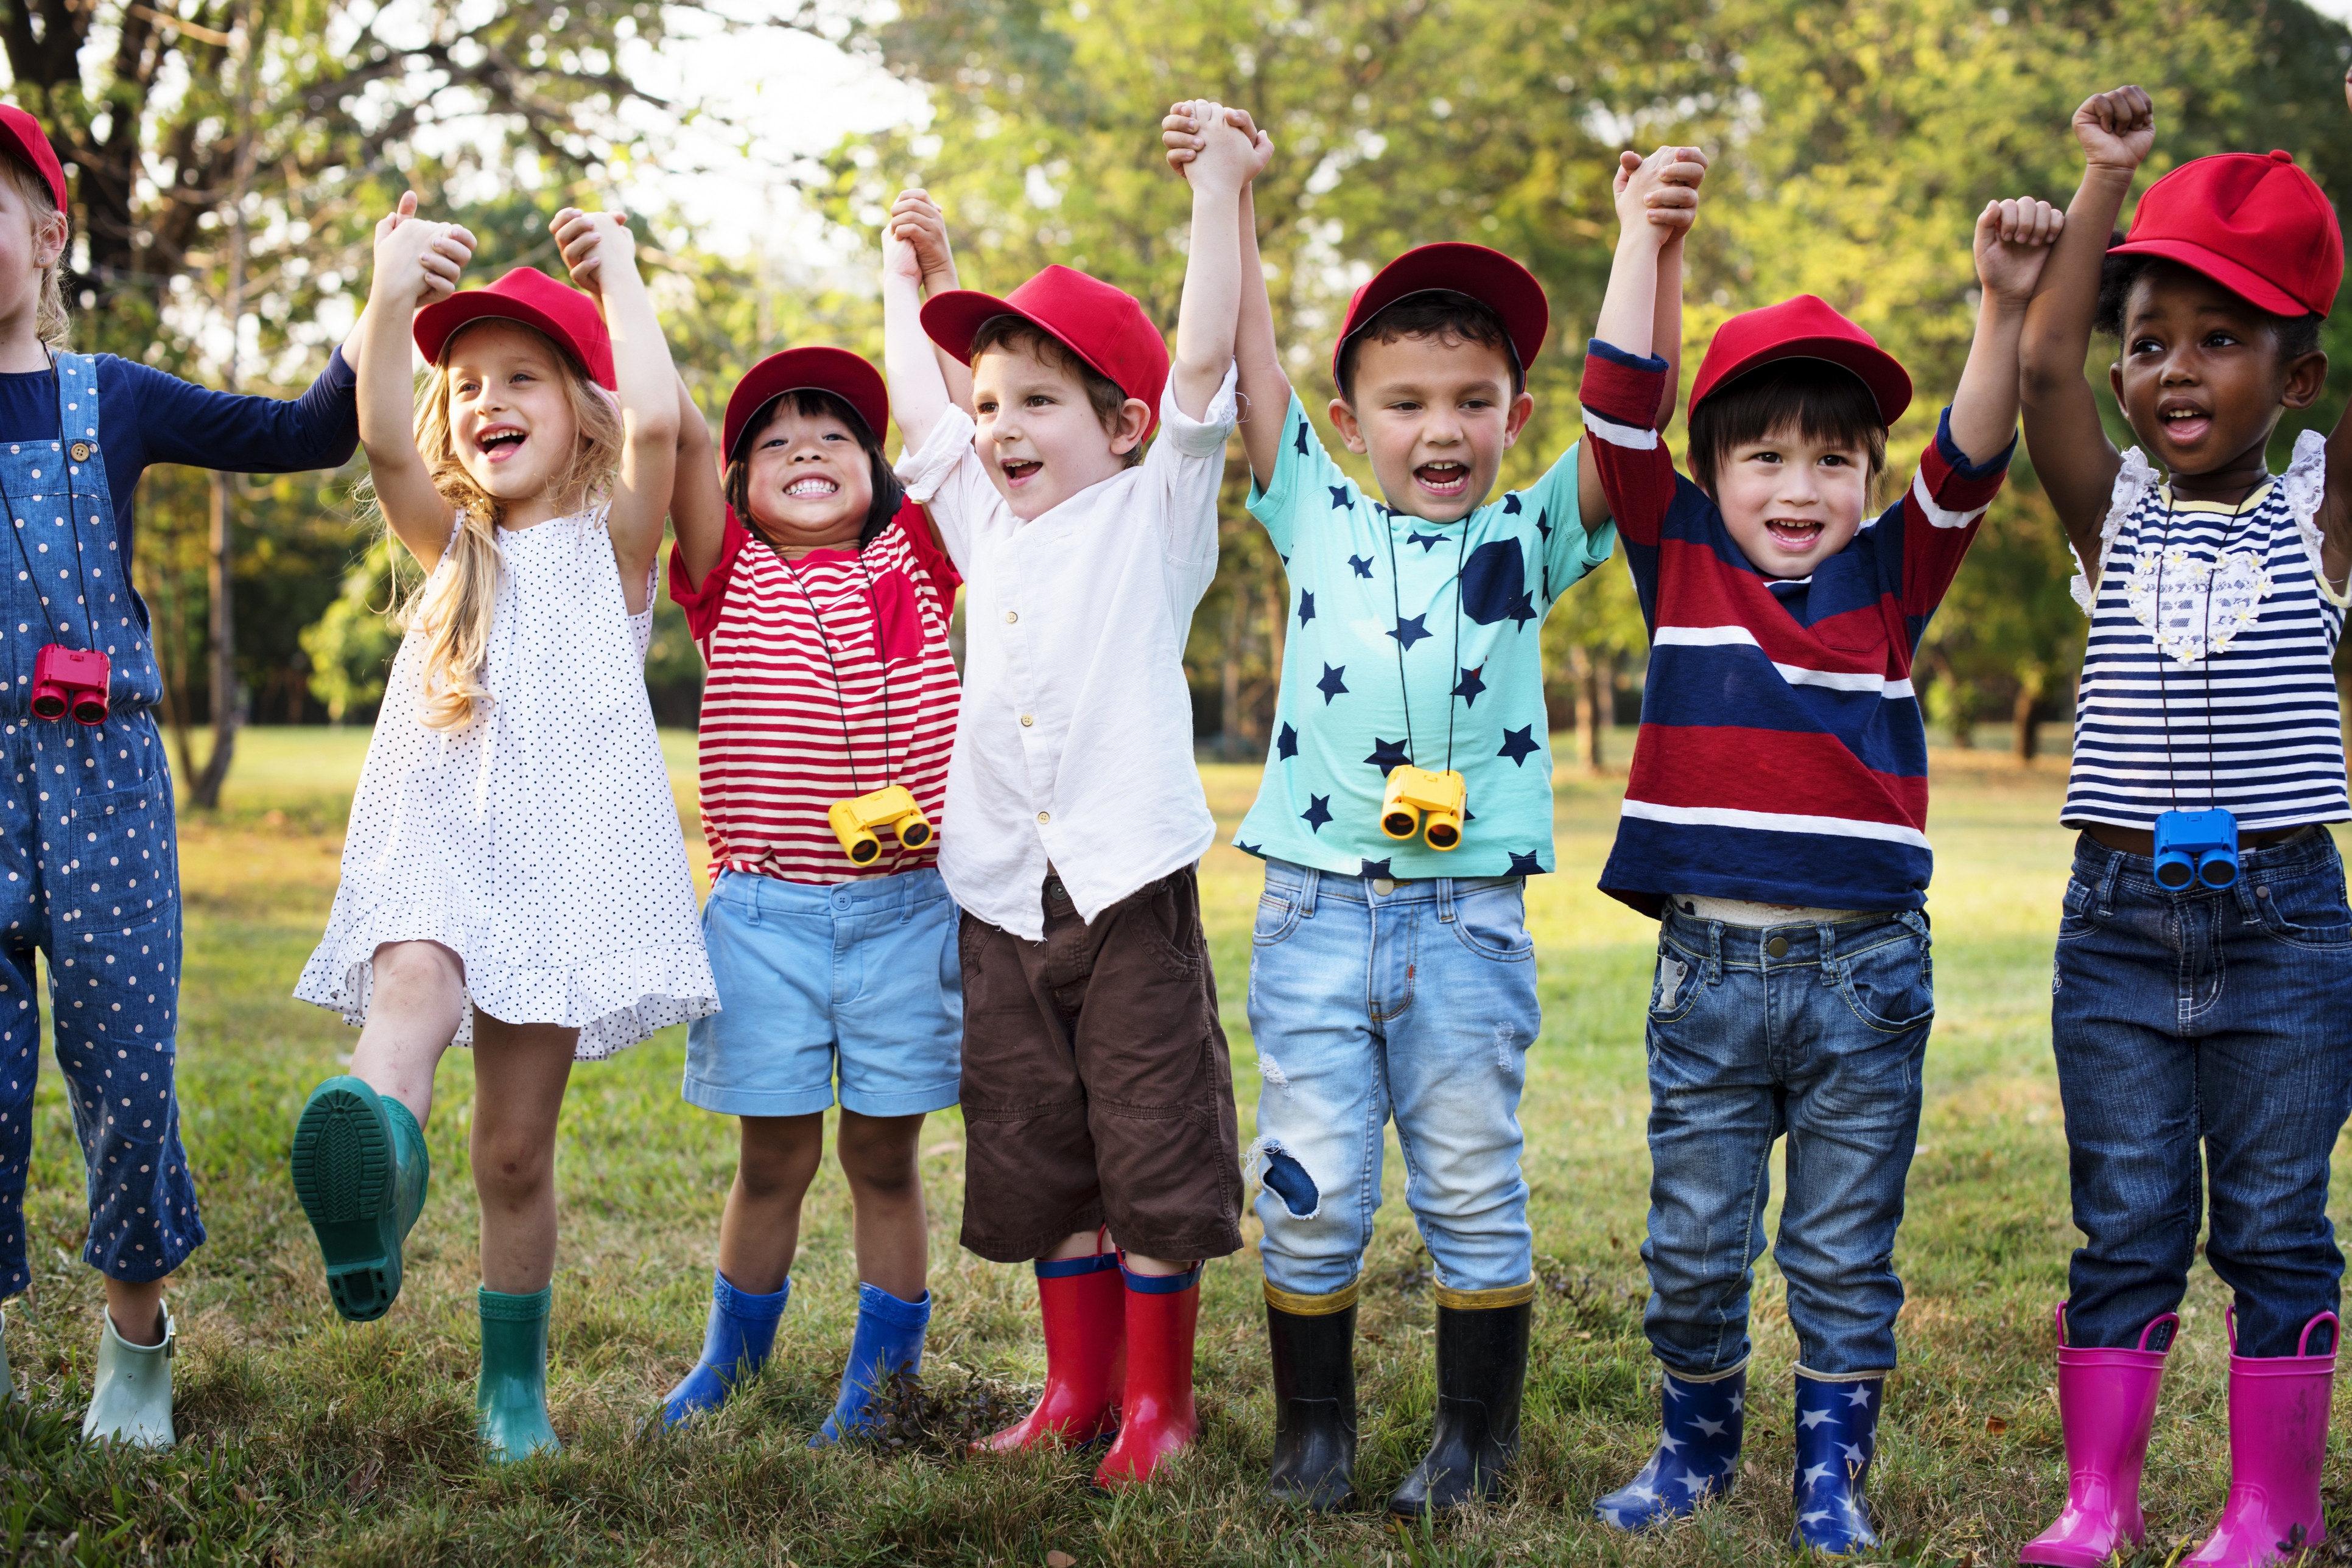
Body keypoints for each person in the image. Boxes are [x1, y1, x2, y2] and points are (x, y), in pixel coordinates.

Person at [1159, 108, 1654, 1516]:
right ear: (1350, 422)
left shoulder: (1531, 532)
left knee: (1472, 1182)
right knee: (1308, 1182)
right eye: (1407, 402)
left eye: (1474, 400)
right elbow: (1250, 359)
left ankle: (1473, 1445)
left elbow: (1630, 415)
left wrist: (1639, 240)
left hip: (1467, 925)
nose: (1442, 428)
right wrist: (1229, 193)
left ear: (1514, 416)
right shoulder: (1311, 508)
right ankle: (1313, 1438)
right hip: (1314, 912)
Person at [1579, 145, 2060, 1550]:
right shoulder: (1678, 553)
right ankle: (1692, 1452)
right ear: (1711, 472)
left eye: (1835, 461)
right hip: (1709, 977)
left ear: (1867, 477)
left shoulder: (1890, 575)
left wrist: (2001, 303)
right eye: (1767, 458)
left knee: (1845, 1249)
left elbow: (1972, 456)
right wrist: (1644, 237)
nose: (1801, 488)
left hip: (1865, 979)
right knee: (1692, 1245)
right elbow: (1618, 407)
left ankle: (1829, 1475)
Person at [0, 103, 472, 1449]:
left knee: (125, 1067)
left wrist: (382, 299)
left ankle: (134, 1344)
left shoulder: (111, 397)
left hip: (102, 784)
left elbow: (309, 430)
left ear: (48, 235)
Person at [289, 209, 717, 1461]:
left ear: (580, 407)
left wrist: (622, 271)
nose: (489, 400)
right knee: (407, 995)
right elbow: (381, 433)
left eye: (523, 377)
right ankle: (372, 1170)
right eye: (468, 382)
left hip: (557, 878)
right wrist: (386, 295)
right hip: (431, 853)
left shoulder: (614, 548)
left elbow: (660, 424)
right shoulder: (451, 547)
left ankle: (511, 1387)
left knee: (516, 1153)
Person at [873, 99, 1255, 1489]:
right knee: (1040, 1145)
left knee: (1150, 1139)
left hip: (1125, 888)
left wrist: (1217, 191)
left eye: (1038, 402)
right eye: (993, 406)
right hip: (999, 893)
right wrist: (914, 277)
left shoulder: (1155, 518)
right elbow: (924, 411)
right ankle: (1076, 1391)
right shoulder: (986, 522)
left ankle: (1159, 1407)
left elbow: (1203, 359)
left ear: (1124, 424)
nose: (1000, 429)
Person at [2013, 85, 2350, 1568]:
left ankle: (2272, 1508)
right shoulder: (2115, 514)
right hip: (2118, 927)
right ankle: (2100, 1501)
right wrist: (2105, 179)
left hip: (2286, 929)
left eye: (2222, 339)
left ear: (2298, 377)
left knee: (2274, 1222)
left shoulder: (2319, 521)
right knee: (2128, 1219)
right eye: (2151, 341)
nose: (2176, 369)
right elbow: (2042, 365)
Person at [647, 339, 963, 1440]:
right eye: (775, 443)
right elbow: (678, 429)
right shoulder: (726, 568)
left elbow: (958, 428)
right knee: (772, 1156)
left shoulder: (920, 554)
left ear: (878, 470)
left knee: (884, 1156)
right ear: (737, 485)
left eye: (835, 436)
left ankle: (883, 1382)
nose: (808, 451)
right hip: (765, 919)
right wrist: (619, 278)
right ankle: (729, 1361)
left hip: (906, 915)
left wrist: (930, 279)